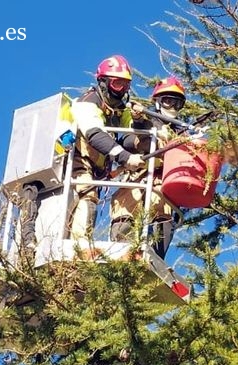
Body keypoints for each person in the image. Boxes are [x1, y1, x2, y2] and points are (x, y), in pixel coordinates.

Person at [68, 55, 145, 241]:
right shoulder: (87, 102)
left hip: (97, 169)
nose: (122, 91)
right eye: (118, 84)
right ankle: (79, 247)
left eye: (126, 85)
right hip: (78, 164)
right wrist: (125, 157)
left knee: (90, 197)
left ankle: (85, 245)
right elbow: (95, 135)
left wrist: (140, 124)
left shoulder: (121, 110)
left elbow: (128, 138)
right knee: (87, 198)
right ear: (103, 82)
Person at [109, 75, 187, 258]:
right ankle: (122, 254)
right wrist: (139, 121)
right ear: (158, 102)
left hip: (162, 183)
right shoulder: (148, 120)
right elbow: (130, 141)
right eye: (168, 101)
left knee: (163, 213)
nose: (173, 107)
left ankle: (155, 258)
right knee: (126, 209)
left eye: (178, 103)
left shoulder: (182, 132)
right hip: (137, 177)